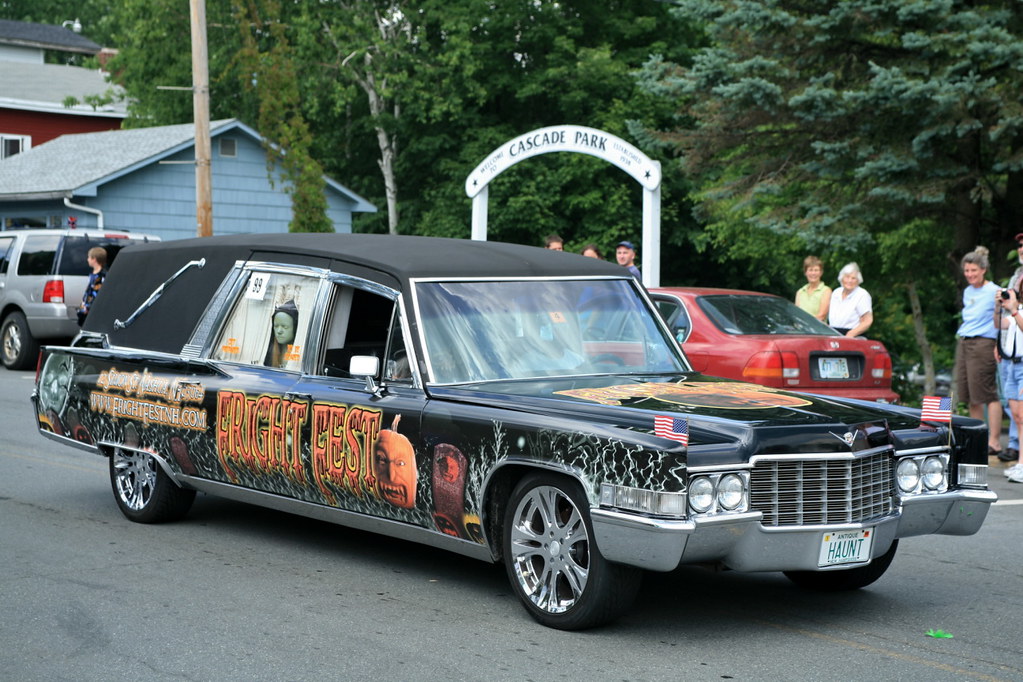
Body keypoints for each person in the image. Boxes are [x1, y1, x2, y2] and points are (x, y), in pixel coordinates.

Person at [954, 246, 1003, 457]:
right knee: (971, 396)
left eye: (973, 270)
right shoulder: (967, 291)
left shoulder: (995, 291)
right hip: (965, 342)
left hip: (983, 343)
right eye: (967, 271)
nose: (970, 275)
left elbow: (1001, 319)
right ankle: (977, 437)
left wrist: (997, 345)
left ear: (983, 270)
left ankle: (993, 442)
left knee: (987, 394)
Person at [994, 276, 1023, 481]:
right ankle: (1021, 463)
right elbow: (999, 324)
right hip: (1012, 366)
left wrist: (1013, 309)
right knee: (1017, 417)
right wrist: (999, 307)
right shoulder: (1016, 312)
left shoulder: (1018, 312)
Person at [827, 262, 872, 337]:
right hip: (834, 334)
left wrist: (850, 334)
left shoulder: (862, 295)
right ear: (841, 278)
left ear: (858, 280)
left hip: (853, 336)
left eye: (853, 278)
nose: (850, 281)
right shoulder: (836, 292)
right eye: (847, 277)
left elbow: (867, 321)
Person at [76, 246, 107, 326]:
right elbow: (88, 292)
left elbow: (97, 294)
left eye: (89, 257)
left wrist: (88, 307)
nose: (87, 259)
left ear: (94, 259)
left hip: (92, 311)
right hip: (85, 309)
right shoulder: (93, 274)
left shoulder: (102, 276)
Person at [794, 255, 831, 322]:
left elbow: (821, 315)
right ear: (805, 272)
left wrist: (805, 325)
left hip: (817, 331)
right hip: (800, 330)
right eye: (810, 270)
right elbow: (796, 314)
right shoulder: (800, 292)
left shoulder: (826, 291)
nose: (813, 273)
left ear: (821, 273)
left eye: (816, 270)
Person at [264, 300, 299, 368]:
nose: (279, 331)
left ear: (295, 328)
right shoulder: (268, 352)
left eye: (285, 327)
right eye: (276, 326)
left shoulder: (301, 354)